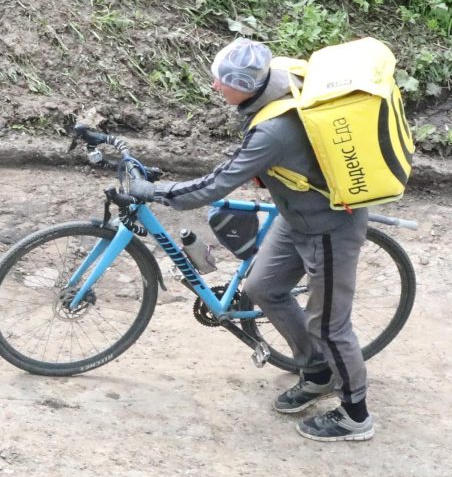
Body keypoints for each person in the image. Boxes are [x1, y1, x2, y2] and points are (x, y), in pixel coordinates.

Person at [121, 38, 375, 443]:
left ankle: (355, 414)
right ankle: (316, 371)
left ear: (244, 84)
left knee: (328, 324)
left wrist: (156, 191)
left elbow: (218, 182)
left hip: (330, 224)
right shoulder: (275, 80)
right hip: (296, 216)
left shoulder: (274, 131)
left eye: (221, 83)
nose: (216, 88)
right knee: (262, 287)